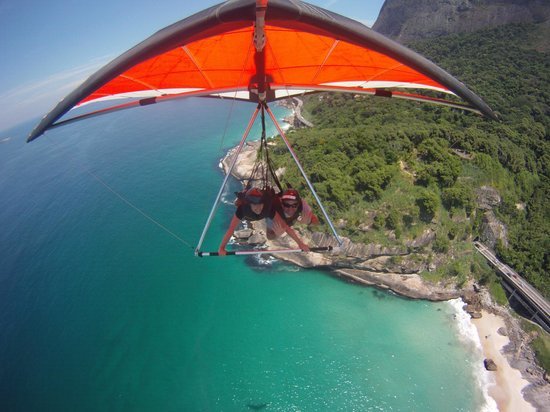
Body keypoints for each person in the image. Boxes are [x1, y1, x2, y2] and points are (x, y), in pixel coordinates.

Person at [218, 187, 310, 255]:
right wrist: (222, 248)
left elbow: (285, 226)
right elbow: (231, 229)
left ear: (264, 203)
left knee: (278, 227)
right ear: (249, 204)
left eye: (260, 204)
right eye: (254, 204)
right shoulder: (242, 210)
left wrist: (300, 244)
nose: (258, 208)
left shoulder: (268, 209)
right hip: (249, 216)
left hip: (265, 214)